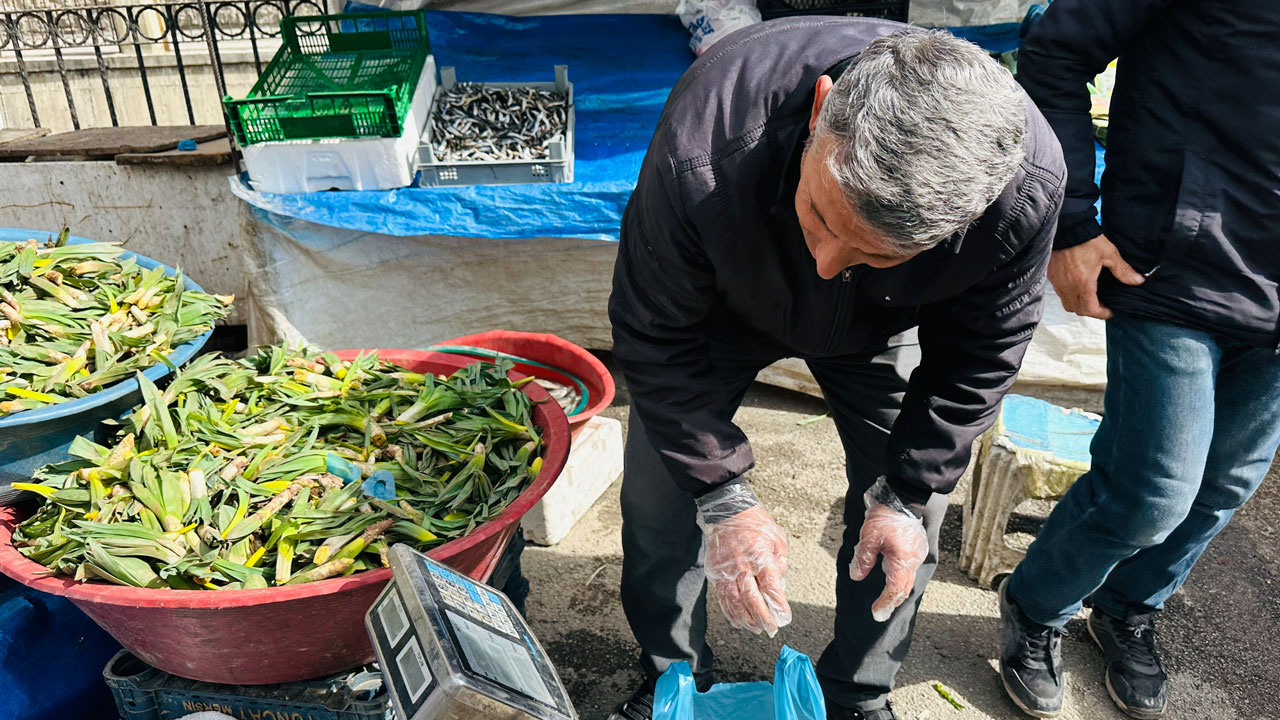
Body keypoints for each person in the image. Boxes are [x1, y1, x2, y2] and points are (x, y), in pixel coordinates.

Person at [608, 17, 1065, 720]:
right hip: (719, 311)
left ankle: (858, 692)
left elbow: (982, 352)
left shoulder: (1021, 187)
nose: (825, 262)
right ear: (823, 109)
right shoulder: (709, 136)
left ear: (960, 223)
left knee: (908, 522)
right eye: (820, 217)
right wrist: (722, 493)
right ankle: (672, 679)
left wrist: (907, 491)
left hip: (884, 323)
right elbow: (653, 333)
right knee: (661, 492)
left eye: (873, 250)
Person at [999, 2, 1280, 718]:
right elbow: (1057, 50)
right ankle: (1036, 606)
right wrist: (1071, 221)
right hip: (1173, 269)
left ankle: (1127, 607)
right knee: (1153, 492)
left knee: (1224, 485)